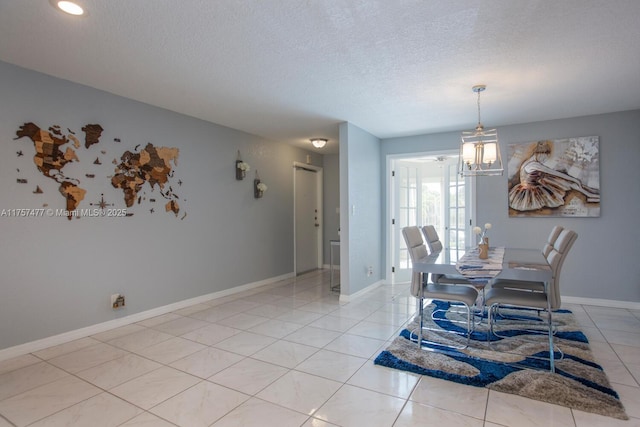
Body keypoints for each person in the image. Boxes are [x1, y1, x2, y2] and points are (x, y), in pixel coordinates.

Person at [509, 140, 600, 211]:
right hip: (529, 191)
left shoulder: (528, 162)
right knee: (564, 180)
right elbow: (555, 173)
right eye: (545, 156)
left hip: (535, 183)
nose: (545, 159)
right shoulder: (534, 165)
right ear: (539, 154)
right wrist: (575, 180)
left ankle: (589, 192)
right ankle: (588, 193)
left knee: (562, 181)